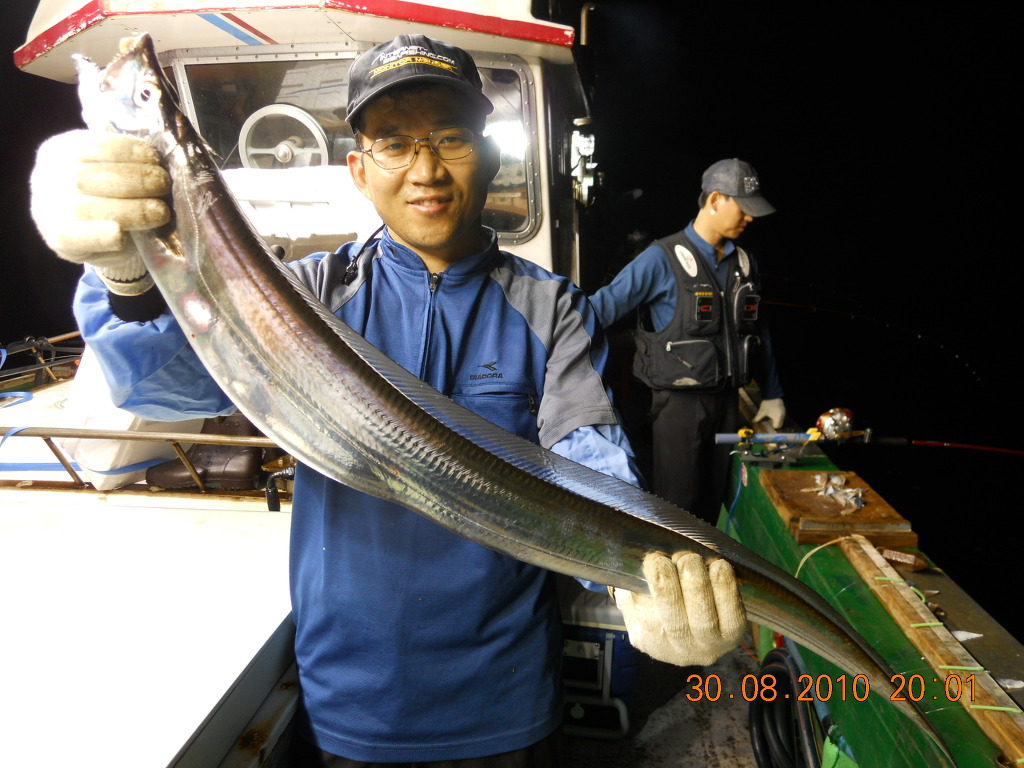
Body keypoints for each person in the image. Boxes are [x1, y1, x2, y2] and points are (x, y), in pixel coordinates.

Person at [30, 35, 746, 766]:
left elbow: (587, 457)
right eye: (395, 143)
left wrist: (643, 580)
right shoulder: (308, 297)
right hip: (351, 703)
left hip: (507, 702)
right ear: (359, 169)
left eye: (450, 138)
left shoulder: (550, 307)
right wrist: (127, 280)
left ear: (487, 156)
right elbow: (159, 383)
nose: (425, 170)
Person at [590, 158, 785, 525]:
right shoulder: (659, 259)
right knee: (677, 507)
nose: (750, 217)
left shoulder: (745, 263)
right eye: (744, 208)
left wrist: (773, 393)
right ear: (715, 200)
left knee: (713, 501)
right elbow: (597, 312)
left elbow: (759, 331)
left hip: (728, 404)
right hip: (679, 407)